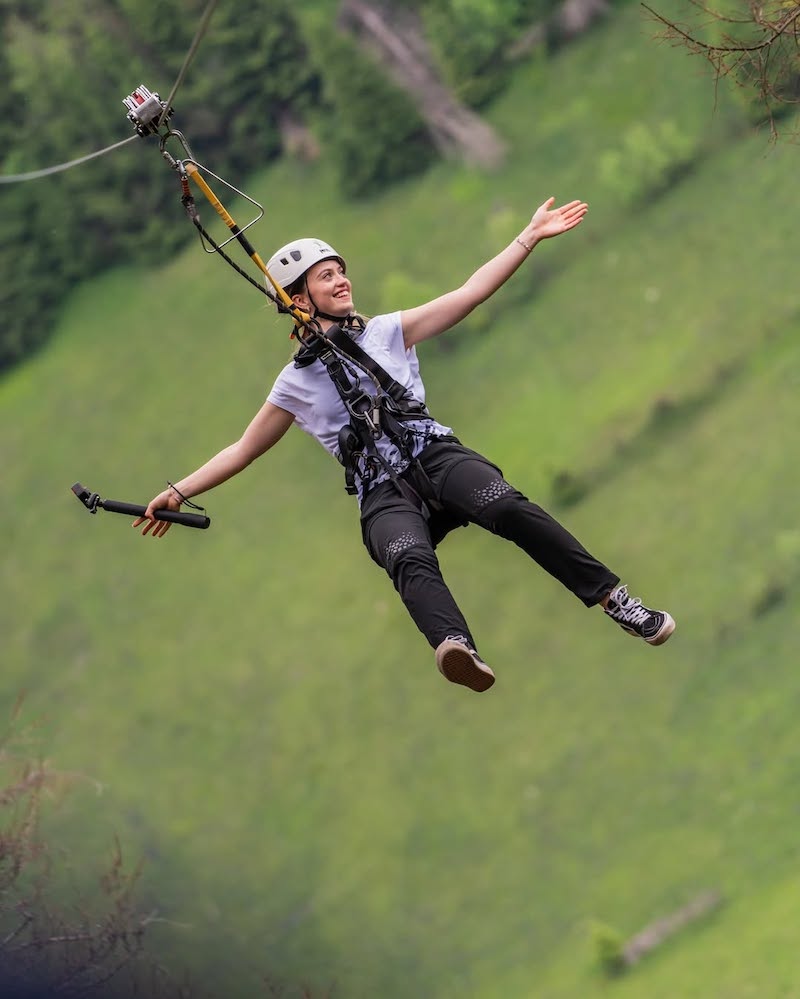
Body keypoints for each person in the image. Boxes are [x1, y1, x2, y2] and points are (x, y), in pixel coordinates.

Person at [135, 196, 675, 693]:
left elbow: (469, 293)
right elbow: (243, 449)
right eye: (327, 277)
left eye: (342, 271)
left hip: (434, 456)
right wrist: (178, 491)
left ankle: (616, 600)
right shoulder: (293, 385)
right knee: (406, 556)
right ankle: (456, 647)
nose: (343, 281)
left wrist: (527, 237)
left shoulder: (387, 331)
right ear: (298, 298)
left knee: (508, 507)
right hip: (382, 493)